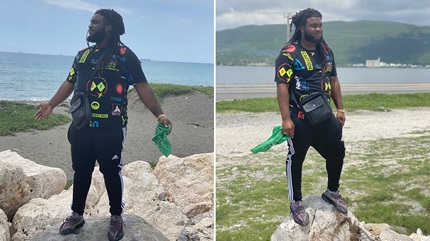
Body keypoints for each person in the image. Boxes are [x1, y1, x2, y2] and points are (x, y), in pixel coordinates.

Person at [34, 9, 172, 241]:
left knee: (111, 172)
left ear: (108, 27)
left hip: (112, 125)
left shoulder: (125, 55)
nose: (90, 26)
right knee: (81, 171)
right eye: (90, 22)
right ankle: (76, 214)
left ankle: (116, 217)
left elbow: (142, 86)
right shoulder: (82, 55)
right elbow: (70, 82)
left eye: (95, 22)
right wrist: (51, 103)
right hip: (81, 124)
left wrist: (159, 114)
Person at [274, 8, 347, 226]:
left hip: (325, 117)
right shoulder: (288, 53)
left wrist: (340, 109)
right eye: (314, 25)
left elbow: (334, 80)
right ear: (302, 27)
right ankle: (296, 202)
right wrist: (286, 119)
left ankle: (332, 191)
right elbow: (282, 87)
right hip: (299, 118)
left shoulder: (325, 51)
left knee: (337, 151)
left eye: (320, 25)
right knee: (296, 159)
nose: (318, 29)